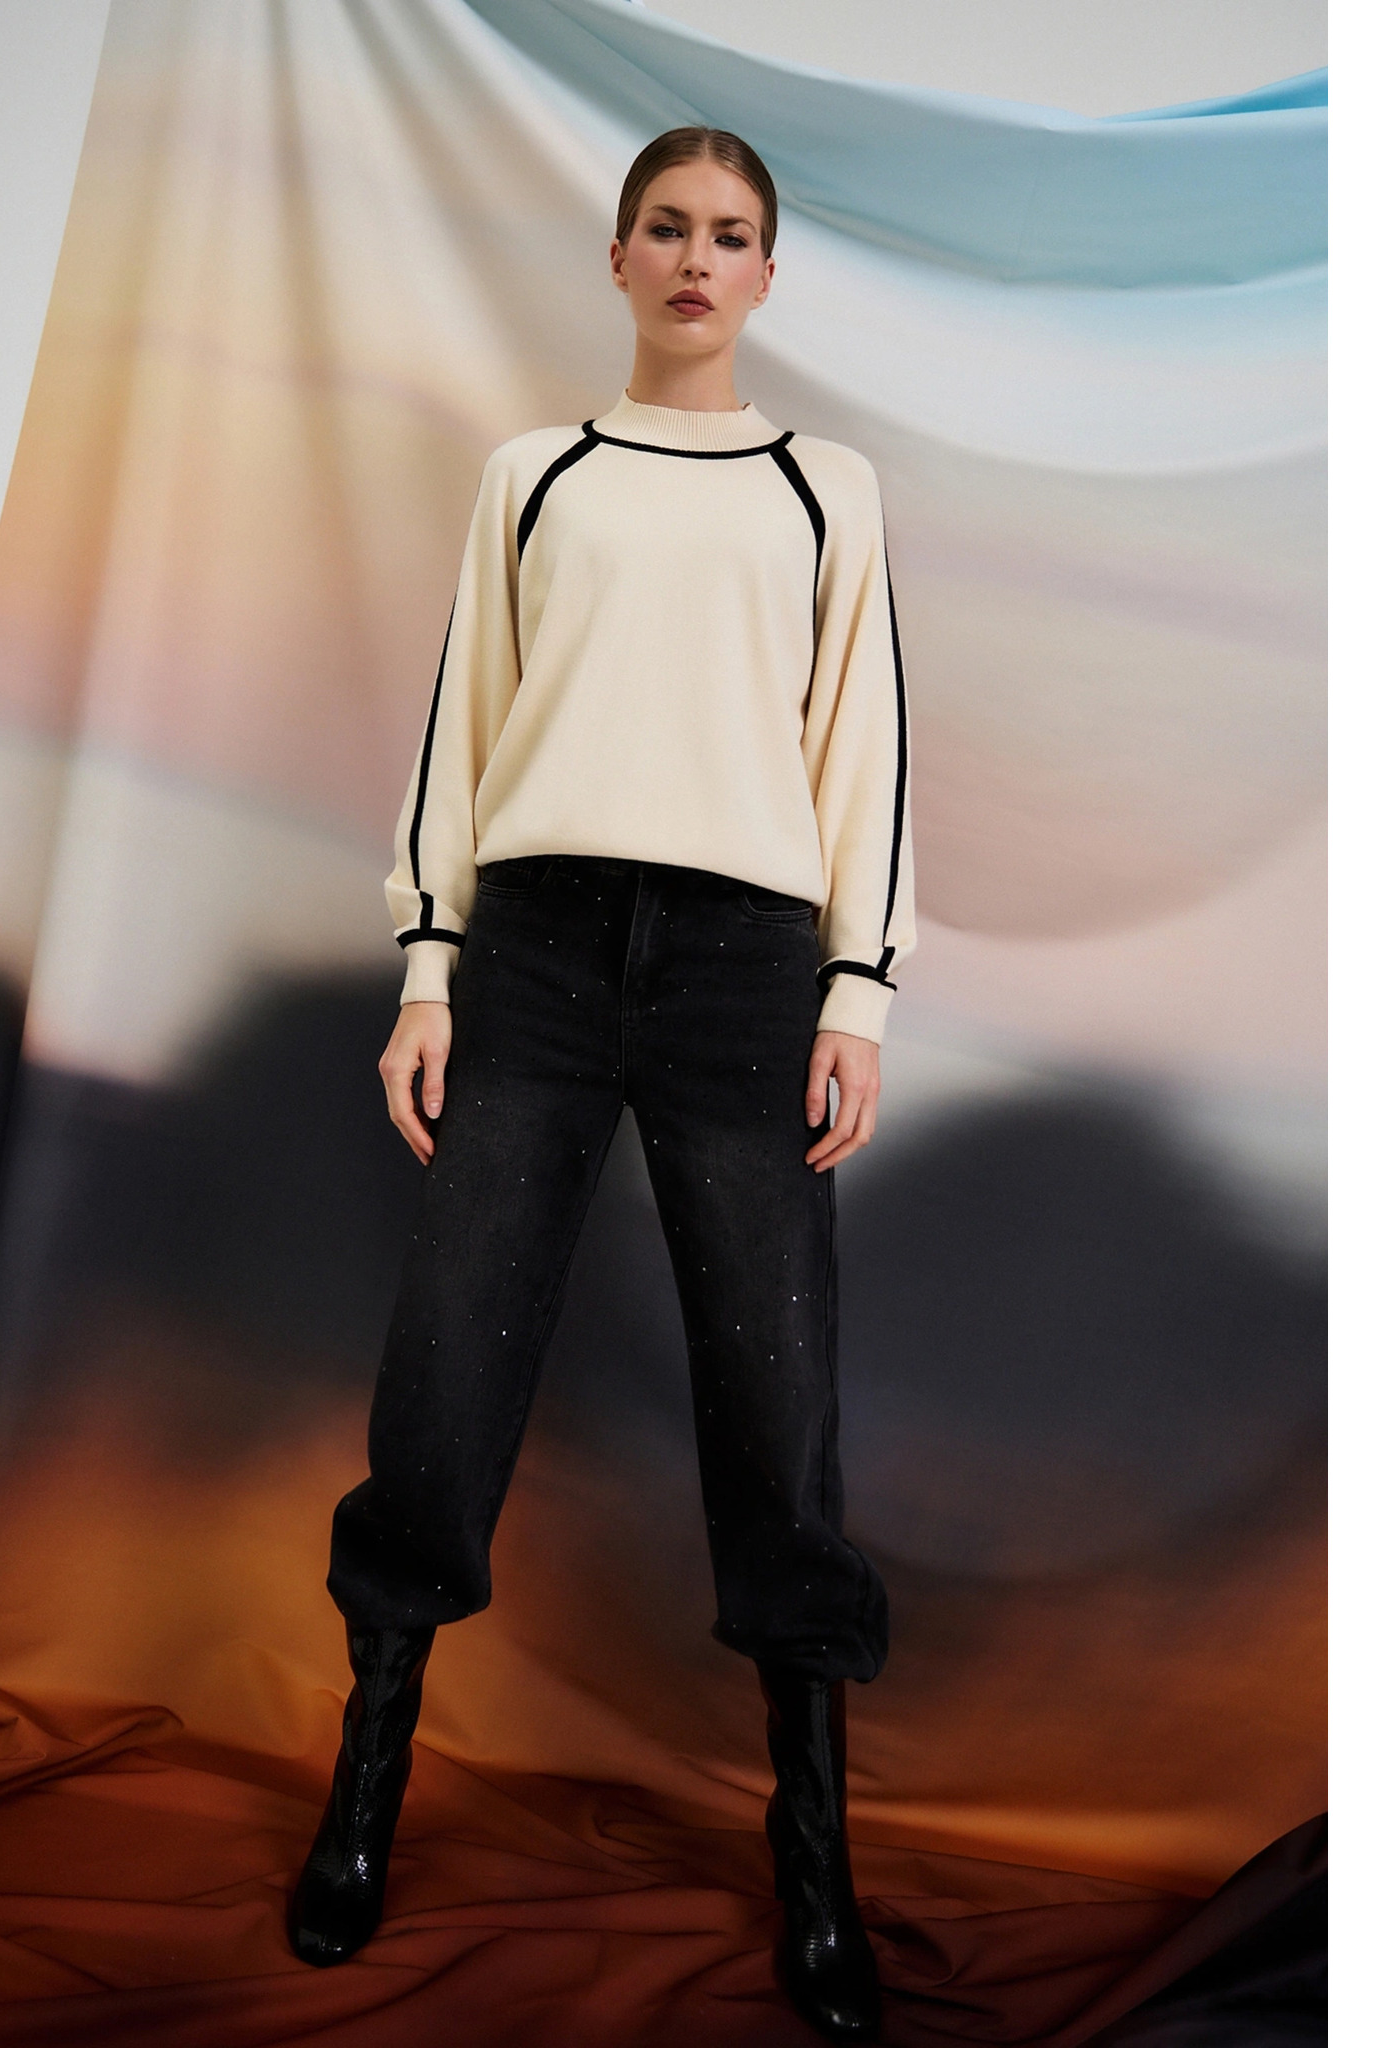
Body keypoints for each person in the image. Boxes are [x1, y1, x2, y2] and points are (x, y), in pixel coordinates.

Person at [288, 126, 914, 2044]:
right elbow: (462, 730)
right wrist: (431, 968)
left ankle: (816, 1862)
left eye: (732, 234)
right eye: (667, 227)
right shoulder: (534, 474)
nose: (697, 259)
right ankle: (365, 1797)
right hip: (539, 955)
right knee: (447, 1368)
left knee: (777, 1392)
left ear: (769, 274)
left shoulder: (826, 489)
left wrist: (857, 995)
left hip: (745, 968)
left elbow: (861, 745)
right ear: (619, 255)